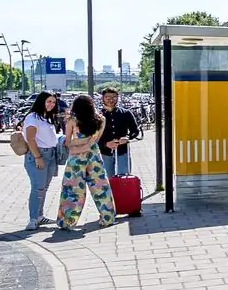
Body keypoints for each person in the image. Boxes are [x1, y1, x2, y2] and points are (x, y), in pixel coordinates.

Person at [55, 94, 118, 231]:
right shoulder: (101, 119)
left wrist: (77, 143)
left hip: (76, 158)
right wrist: (88, 143)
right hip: (94, 155)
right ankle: (107, 217)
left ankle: (67, 221)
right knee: (101, 186)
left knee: (73, 189)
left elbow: (67, 141)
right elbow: (96, 139)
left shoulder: (72, 120)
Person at [21, 91, 64, 229]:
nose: (51, 104)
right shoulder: (33, 117)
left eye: (53, 102)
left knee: (44, 188)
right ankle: (33, 219)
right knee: (37, 188)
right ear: (41, 102)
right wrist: (38, 157)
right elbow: (30, 139)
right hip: (38, 154)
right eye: (48, 101)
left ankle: (39, 216)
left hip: (51, 155)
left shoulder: (47, 117)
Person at [98, 88, 139, 179]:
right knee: (106, 179)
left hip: (122, 151)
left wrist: (127, 138)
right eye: (107, 97)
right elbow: (92, 136)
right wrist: (105, 144)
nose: (111, 100)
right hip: (104, 152)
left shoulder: (126, 113)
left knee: (124, 178)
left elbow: (135, 131)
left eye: (114, 97)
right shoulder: (97, 115)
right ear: (102, 98)